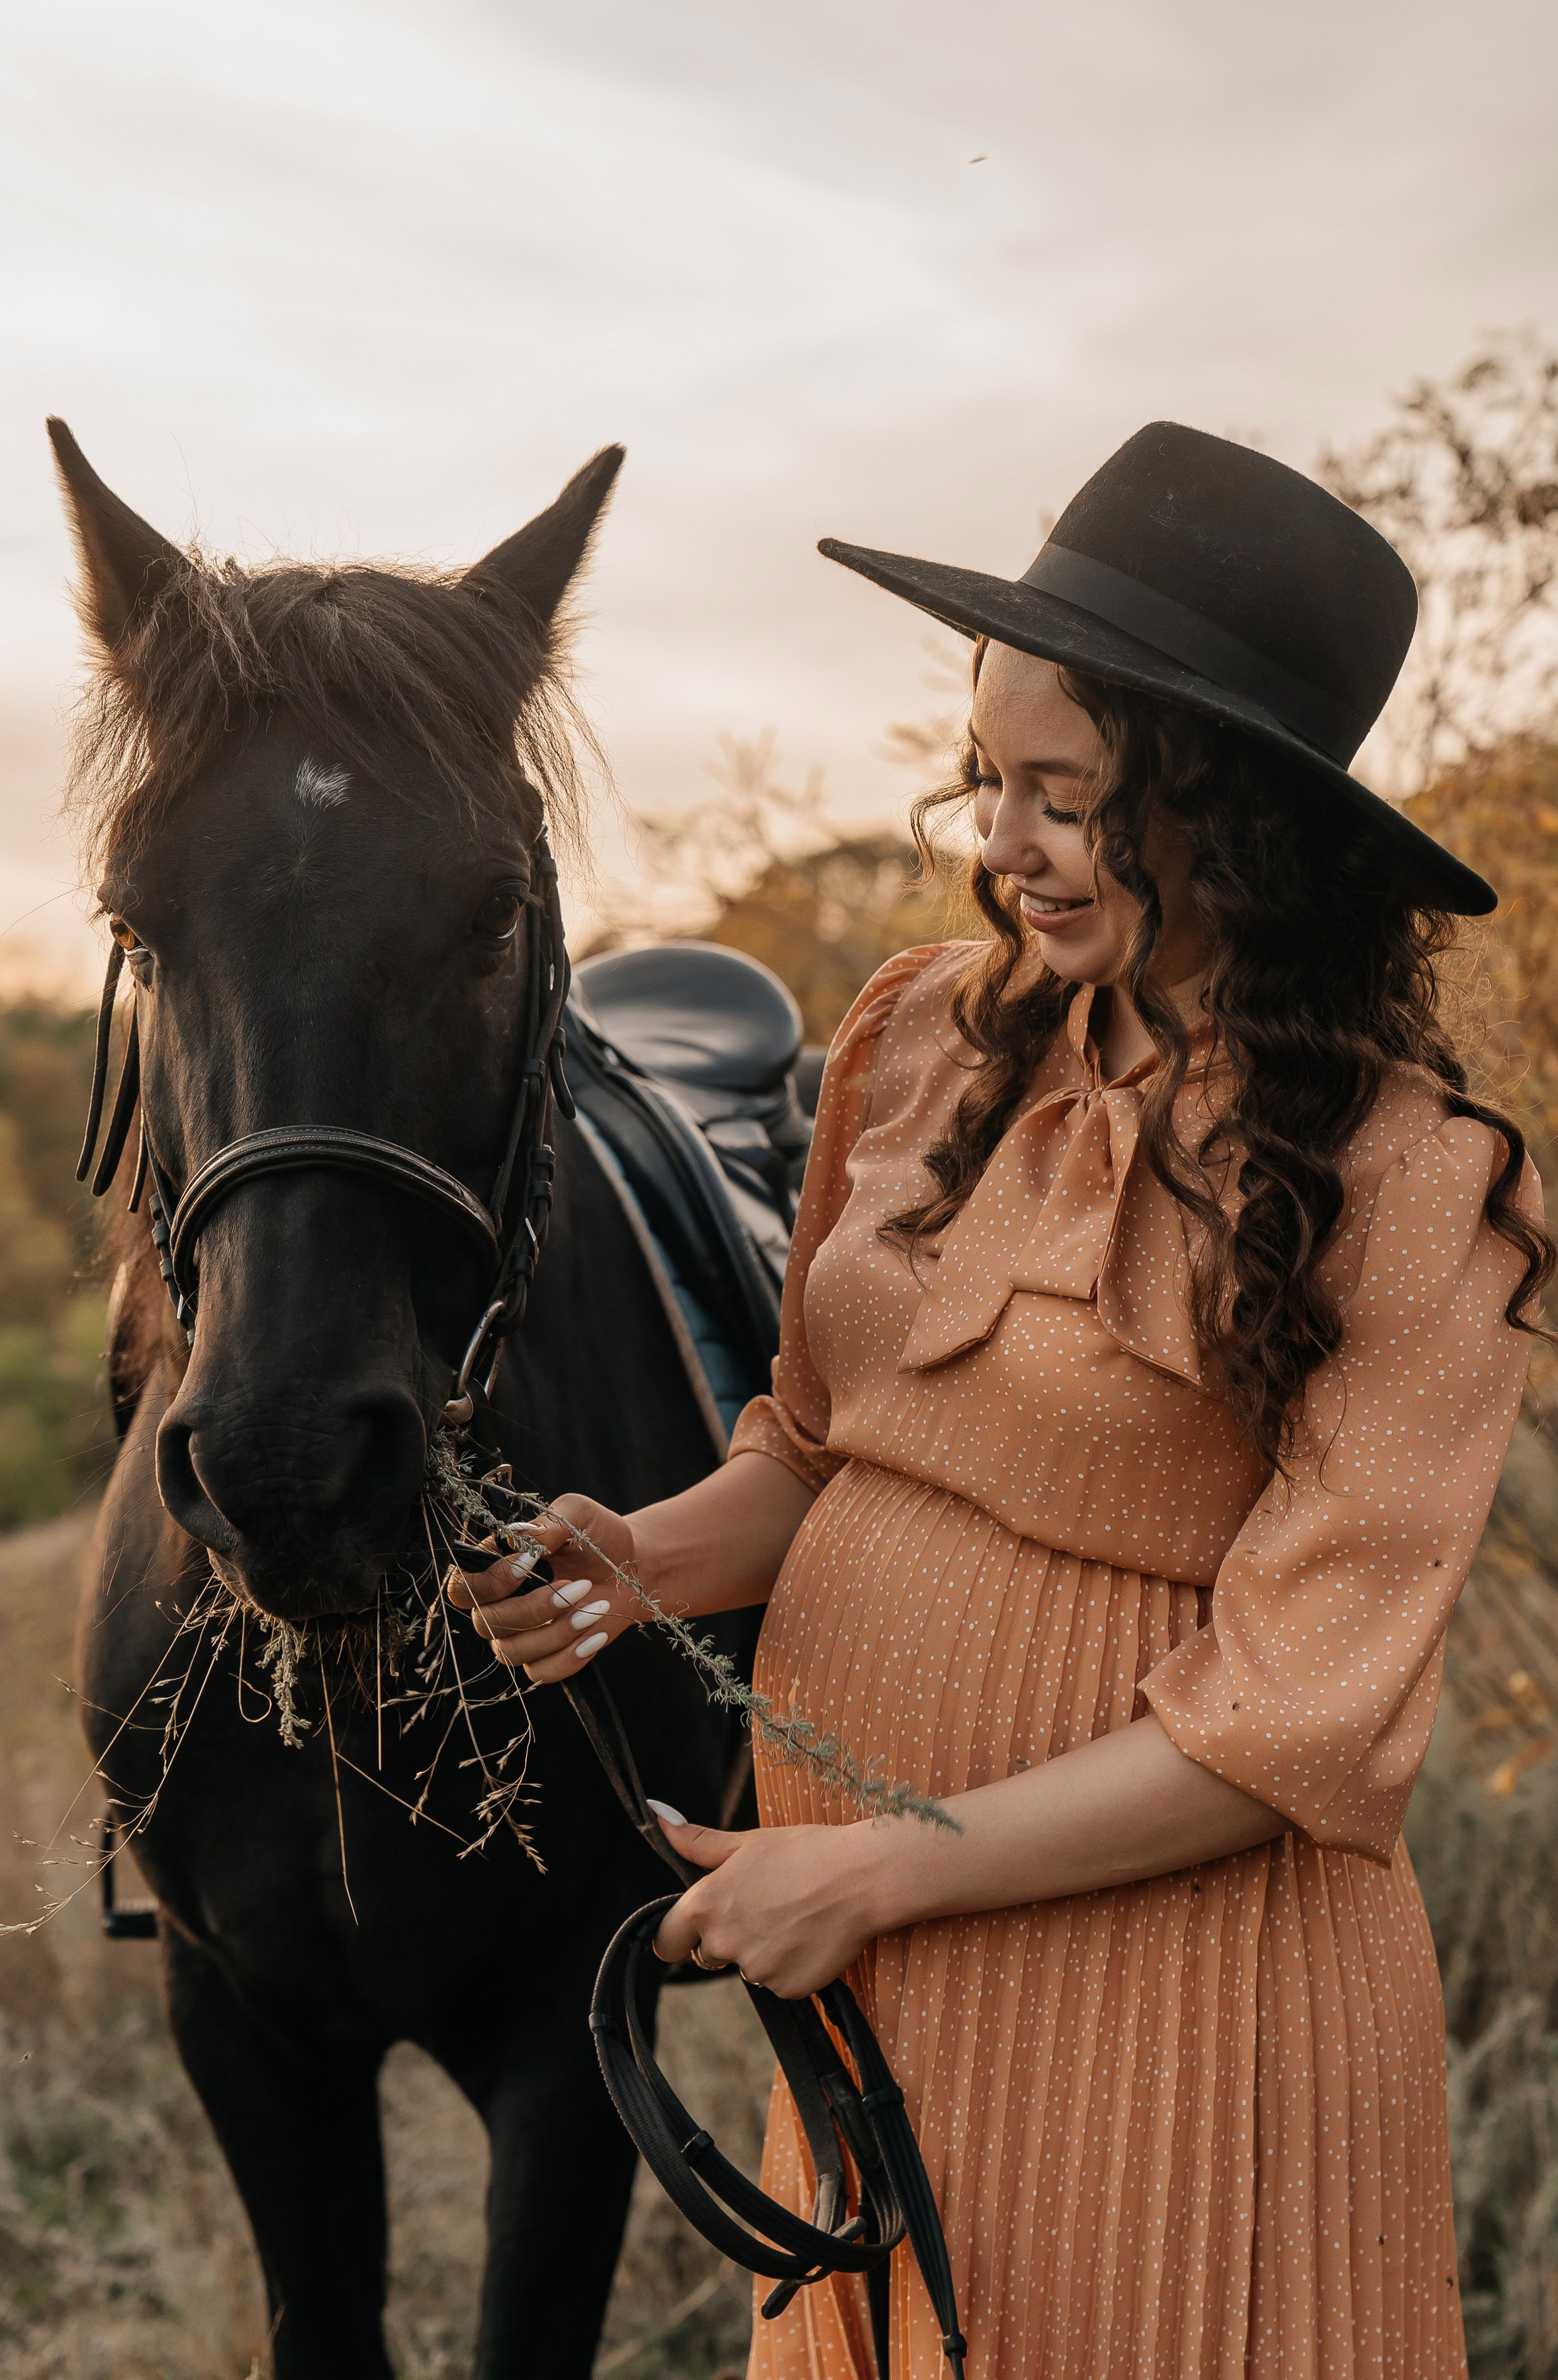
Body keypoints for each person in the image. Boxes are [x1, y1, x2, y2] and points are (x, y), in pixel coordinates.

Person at [453, 423, 1551, 2379]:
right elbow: (817, 1442)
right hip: (888, 1972)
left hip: (1189, 2002)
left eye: (1073, 797)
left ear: (1244, 819)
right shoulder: (914, 1039)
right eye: (990, 779)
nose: (1004, 842)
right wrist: (638, 1563)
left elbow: (1293, 1728)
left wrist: (864, 1865)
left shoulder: (1419, 1188)